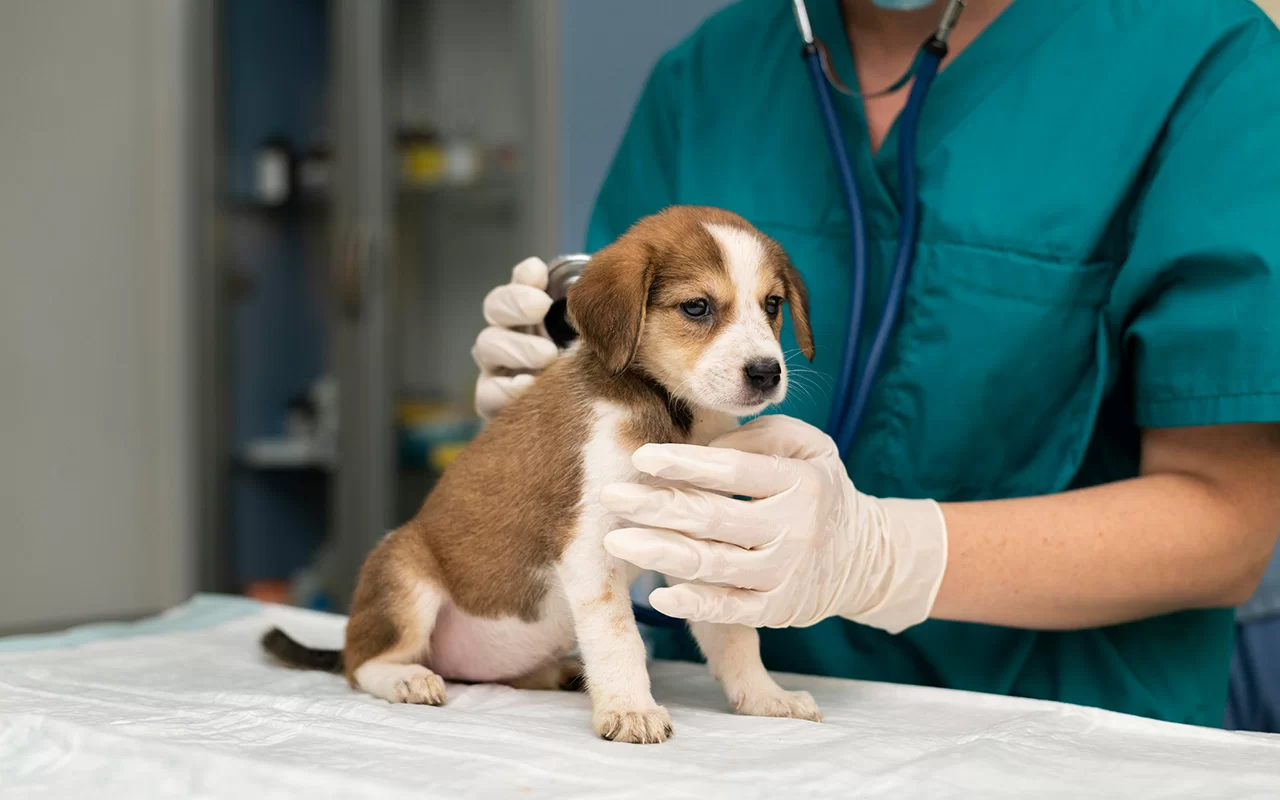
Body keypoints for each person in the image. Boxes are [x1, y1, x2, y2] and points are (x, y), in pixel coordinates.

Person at [472, 0, 1280, 727]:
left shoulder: (1201, 62)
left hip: (1059, 733)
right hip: (728, 720)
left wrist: (883, 555)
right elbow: (628, 376)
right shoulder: (712, 70)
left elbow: (1228, 525)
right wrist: (563, 398)